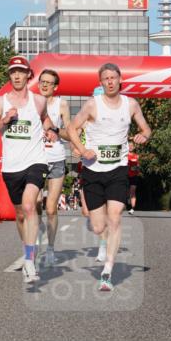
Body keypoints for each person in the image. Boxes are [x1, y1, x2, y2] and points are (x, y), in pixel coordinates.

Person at [66, 63, 152, 292]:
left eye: (114, 77)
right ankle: (103, 243)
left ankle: (107, 271)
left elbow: (146, 129)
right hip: (93, 170)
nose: (110, 81)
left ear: (120, 79)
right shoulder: (93, 104)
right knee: (97, 226)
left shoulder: (131, 104)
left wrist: (144, 135)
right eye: (106, 78)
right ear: (101, 82)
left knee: (115, 218)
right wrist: (83, 151)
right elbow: (72, 128)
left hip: (118, 169)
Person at [0, 56, 59, 284]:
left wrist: (51, 130)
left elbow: (44, 119)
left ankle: (28, 260)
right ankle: (28, 251)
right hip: (11, 166)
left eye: (20, 71)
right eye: (12, 72)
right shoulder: (0, 102)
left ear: (28, 75)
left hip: (36, 161)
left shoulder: (39, 101)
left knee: (29, 205)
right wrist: (4, 120)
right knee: (20, 214)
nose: (16, 76)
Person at [36, 69, 71, 267]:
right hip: (36, 159)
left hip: (56, 158)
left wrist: (55, 130)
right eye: (42, 81)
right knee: (36, 203)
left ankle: (50, 249)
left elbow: (70, 132)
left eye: (49, 82)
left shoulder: (61, 104)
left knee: (51, 209)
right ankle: (36, 239)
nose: (45, 85)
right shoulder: (31, 102)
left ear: (55, 87)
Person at [127, 141, 141, 215]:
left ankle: (132, 208)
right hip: (125, 176)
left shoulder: (137, 156)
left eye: (132, 145)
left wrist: (135, 168)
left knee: (132, 191)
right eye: (129, 145)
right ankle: (127, 198)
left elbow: (138, 168)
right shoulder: (124, 156)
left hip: (134, 176)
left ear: (134, 147)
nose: (130, 147)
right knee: (125, 191)